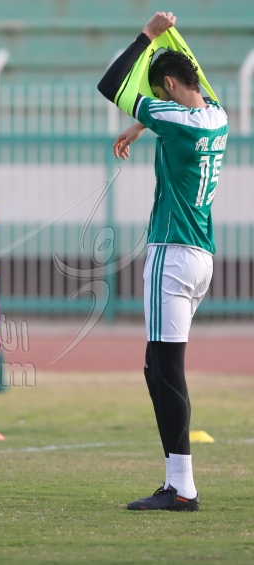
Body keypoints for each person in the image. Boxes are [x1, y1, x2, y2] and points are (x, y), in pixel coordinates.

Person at [98, 12, 228, 511]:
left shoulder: (174, 119)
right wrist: (140, 125)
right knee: (160, 368)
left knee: (164, 369)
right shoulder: (218, 114)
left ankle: (181, 488)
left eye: (160, 92)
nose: (158, 101)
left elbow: (110, 85)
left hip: (171, 253)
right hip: (202, 257)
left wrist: (148, 36)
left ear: (169, 85)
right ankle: (179, 483)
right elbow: (192, 89)